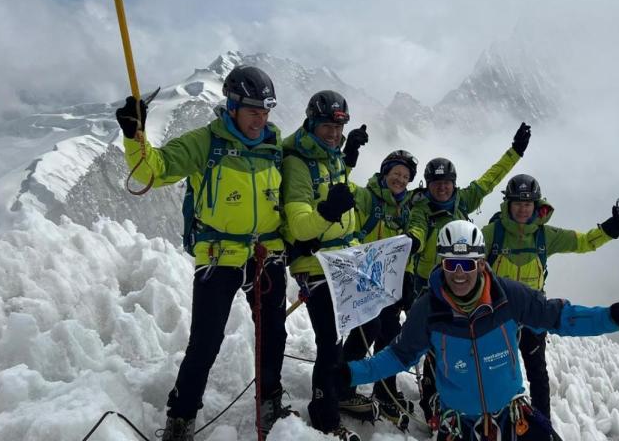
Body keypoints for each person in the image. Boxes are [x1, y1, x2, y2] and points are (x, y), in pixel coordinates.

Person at [115, 66, 295, 441]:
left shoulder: (275, 145)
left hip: (267, 253)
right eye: (253, 111)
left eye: (265, 112)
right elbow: (153, 171)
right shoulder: (205, 142)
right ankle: (181, 416)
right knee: (206, 341)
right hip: (219, 255)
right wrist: (135, 135)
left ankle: (270, 400)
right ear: (232, 107)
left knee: (273, 334)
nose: (260, 120)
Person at [338, 221, 619, 441]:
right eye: (452, 264)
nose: (459, 274)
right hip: (460, 427)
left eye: (467, 265)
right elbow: (398, 356)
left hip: (511, 419)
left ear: (481, 264)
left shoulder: (508, 296)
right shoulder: (429, 309)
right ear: (442, 263)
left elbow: (558, 316)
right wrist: (351, 373)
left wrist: (608, 318)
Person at [484, 174, 619, 434]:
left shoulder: (546, 236)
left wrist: (613, 227)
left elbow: (583, 242)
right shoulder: (492, 234)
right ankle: (489, 424)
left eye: (527, 204)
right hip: (497, 317)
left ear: (536, 205)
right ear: (508, 204)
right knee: (494, 372)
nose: (522, 209)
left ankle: (542, 430)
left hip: (533, 316)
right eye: (517, 203)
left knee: (538, 376)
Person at [406, 122, 532, 420]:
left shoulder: (463, 200)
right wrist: (413, 240)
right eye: (436, 183)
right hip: (430, 287)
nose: (442, 187)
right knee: (436, 345)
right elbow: (417, 228)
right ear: (428, 185)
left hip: (465, 285)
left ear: (454, 183)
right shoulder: (422, 210)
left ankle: (460, 398)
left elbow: (490, 179)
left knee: (459, 344)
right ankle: (433, 401)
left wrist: (515, 152)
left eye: (446, 182)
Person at [281, 90, 370, 441]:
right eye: (327, 128)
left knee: (370, 322)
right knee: (330, 339)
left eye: (339, 129)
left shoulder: (331, 155)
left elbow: (331, 176)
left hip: (343, 259)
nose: (334, 135)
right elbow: (300, 225)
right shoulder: (296, 162)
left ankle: (340, 386)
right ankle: (325, 413)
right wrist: (328, 212)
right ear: (311, 124)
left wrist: (348, 158)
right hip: (315, 263)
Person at [346, 148, 422, 428]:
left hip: (389, 284)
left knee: (390, 334)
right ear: (385, 173)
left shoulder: (406, 209)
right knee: (366, 331)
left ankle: (384, 389)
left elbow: (408, 246)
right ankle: (343, 386)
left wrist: (407, 277)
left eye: (405, 176)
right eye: (396, 173)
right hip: (363, 280)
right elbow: (343, 191)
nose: (400, 180)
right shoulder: (366, 197)